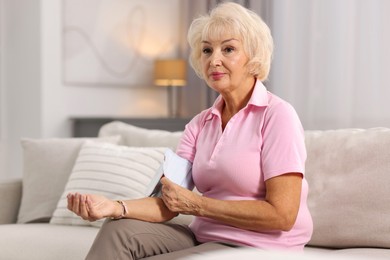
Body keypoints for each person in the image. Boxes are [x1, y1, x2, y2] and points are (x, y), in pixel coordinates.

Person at [67, 2, 313, 259]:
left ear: (253, 57)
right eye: (207, 50)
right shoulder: (200, 124)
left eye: (228, 49)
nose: (214, 60)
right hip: (205, 236)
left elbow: (283, 215)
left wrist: (198, 205)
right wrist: (113, 207)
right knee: (118, 230)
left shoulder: (277, 115)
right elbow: (168, 204)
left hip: (259, 246)